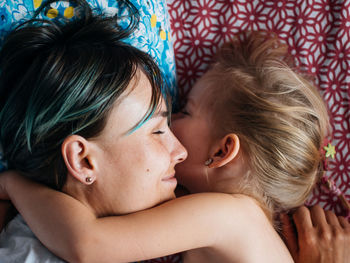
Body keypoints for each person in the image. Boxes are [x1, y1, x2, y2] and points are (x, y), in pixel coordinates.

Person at [0, 1, 345, 263]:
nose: (175, 140)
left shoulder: (229, 214)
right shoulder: (237, 220)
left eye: (182, 113)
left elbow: (87, 243)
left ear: (223, 151)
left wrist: (15, 184)